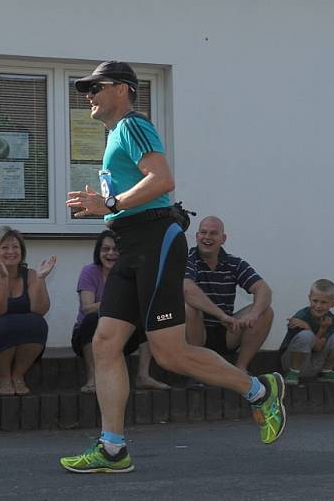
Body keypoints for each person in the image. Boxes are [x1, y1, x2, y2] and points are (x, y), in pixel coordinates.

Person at [60, 61, 286, 473]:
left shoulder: (132, 124)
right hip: (130, 246)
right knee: (105, 343)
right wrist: (106, 210)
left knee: (170, 353)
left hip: (154, 241)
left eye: (96, 87)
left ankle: (260, 390)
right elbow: (134, 195)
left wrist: (109, 204)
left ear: (124, 89)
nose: (88, 95)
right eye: (85, 90)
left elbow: (162, 180)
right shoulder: (114, 135)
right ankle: (113, 449)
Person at [72, 230, 170, 393]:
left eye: (115, 249)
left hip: (122, 336)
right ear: (98, 252)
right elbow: (87, 308)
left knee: (148, 319)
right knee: (91, 320)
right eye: (105, 249)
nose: (110, 253)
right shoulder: (89, 271)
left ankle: (143, 376)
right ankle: (93, 378)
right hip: (88, 336)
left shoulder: (133, 274)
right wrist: (116, 304)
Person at [0, 226, 56, 396]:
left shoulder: (30, 274)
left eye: (15, 247)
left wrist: (40, 279)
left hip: (13, 332)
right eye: (5, 247)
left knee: (38, 324)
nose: (11, 251)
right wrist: (3, 278)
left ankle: (18, 375)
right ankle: (3, 377)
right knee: (4, 324)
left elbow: (39, 310)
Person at [184, 216, 274, 373]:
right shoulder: (187, 260)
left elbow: (263, 289)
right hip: (195, 333)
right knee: (190, 308)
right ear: (197, 236)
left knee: (265, 312)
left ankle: (240, 369)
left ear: (223, 238)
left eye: (213, 233)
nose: (207, 237)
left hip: (226, 333)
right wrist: (221, 315)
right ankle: (196, 371)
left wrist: (253, 314)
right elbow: (187, 290)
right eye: (203, 232)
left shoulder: (234, 263)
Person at [280, 279, 334, 385]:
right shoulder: (301, 317)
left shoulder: (332, 320)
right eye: (315, 301)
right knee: (306, 336)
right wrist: (310, 329)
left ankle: (326, 371)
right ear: (309, 298)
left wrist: (316, 328)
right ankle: (293, 372)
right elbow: (312, 343)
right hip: (291, 363)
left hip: (314, 365)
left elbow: (318, 347)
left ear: (333, 303)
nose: (318, 306)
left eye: (324, 302)